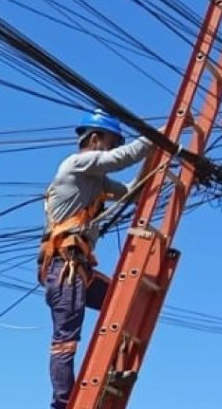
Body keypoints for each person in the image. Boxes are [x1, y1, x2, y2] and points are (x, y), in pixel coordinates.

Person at [40, 109, 153, 409]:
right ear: (94, 138)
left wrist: (157, 164)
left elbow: (131, 192)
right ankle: (63, 404)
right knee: (66, 341)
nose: (113, 148)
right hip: (64, 269)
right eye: (111, 141)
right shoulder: (76, 164)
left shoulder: (98, 181)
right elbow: (122, 159)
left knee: (123, 302)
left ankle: (113, 371)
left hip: (81, 270)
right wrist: (160, 136)